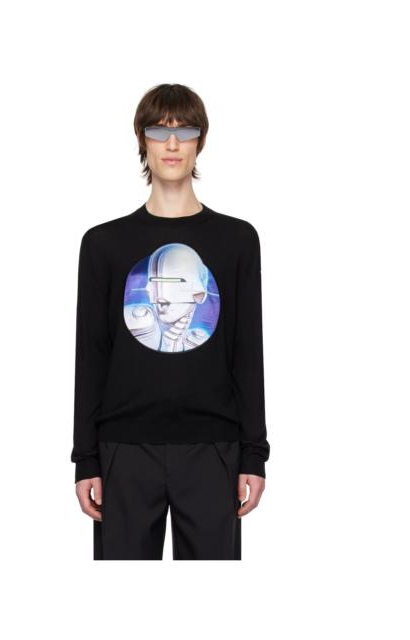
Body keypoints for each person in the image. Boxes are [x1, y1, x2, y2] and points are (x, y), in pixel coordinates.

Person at [71, 83, 270, 560]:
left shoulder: (237, 240)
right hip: (123, 449)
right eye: (159, 131)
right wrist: (86, 459)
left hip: (213, 448)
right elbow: (91, 354)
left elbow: (247, 350)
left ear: (202, 140)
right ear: (142, 139)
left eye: (186, 130)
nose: (173, 143)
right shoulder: (103, 244)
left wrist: (253, 453)